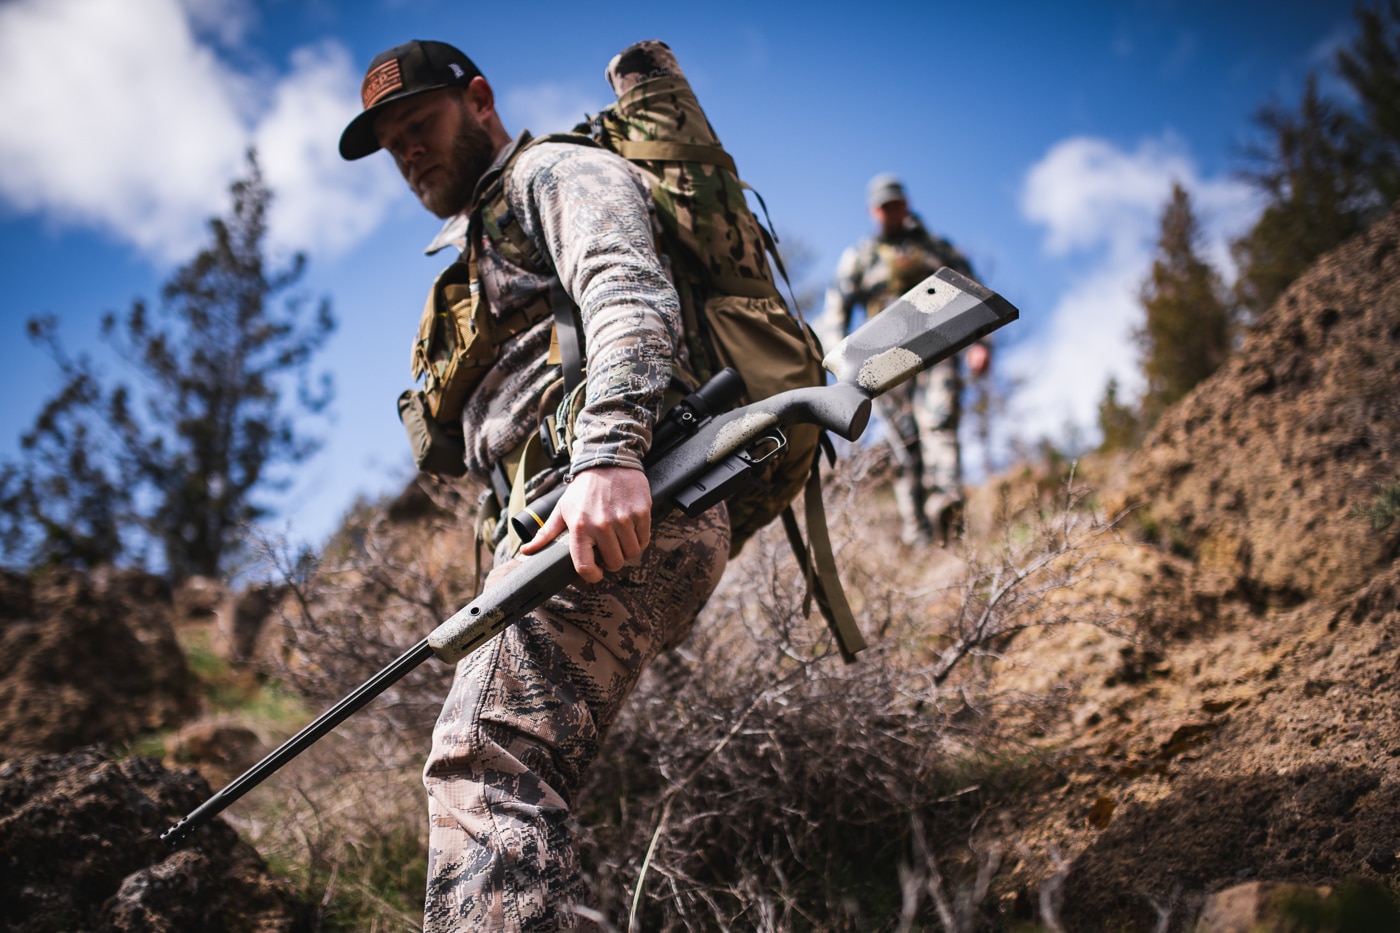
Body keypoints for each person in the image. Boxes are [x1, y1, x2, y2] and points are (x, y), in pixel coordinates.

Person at [339, 40, 730, 930]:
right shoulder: (477, 247)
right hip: (578, 518)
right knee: (514, 788)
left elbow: (627, 289)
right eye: (391, 144)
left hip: (618, 497)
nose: (408, 153)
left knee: (484, 763)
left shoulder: (552, 172)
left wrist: (608, 455)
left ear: (478, 100)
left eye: (420, 125)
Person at [820, 173, 991, 547]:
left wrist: (982, 343)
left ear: (907, 205)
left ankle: (949, 513)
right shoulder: (860, 257)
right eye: (884, 207)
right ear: (872, 211)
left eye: (896, 204)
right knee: (903, 441)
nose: (891, 213)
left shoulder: (936, 248)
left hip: (940, 347)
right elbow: (835, 312)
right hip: (882, 359)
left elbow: (975, 291)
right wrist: (842, 370)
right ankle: (918, 533)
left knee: (940, 424)